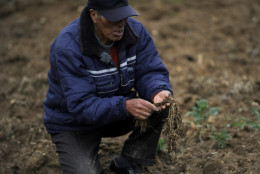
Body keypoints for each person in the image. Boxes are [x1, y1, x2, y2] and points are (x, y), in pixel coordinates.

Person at [42, 0, 173, 173]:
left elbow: (149, 70)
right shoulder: (68, 47)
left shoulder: (135, 31)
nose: (120, 25)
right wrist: (124, 106)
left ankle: (128, 162)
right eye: (113, 19)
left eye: (124, 17)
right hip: (74, 123)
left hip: (115, 112)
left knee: (160, 104)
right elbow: (81, 105)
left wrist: (157, 90)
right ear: (94, 15)